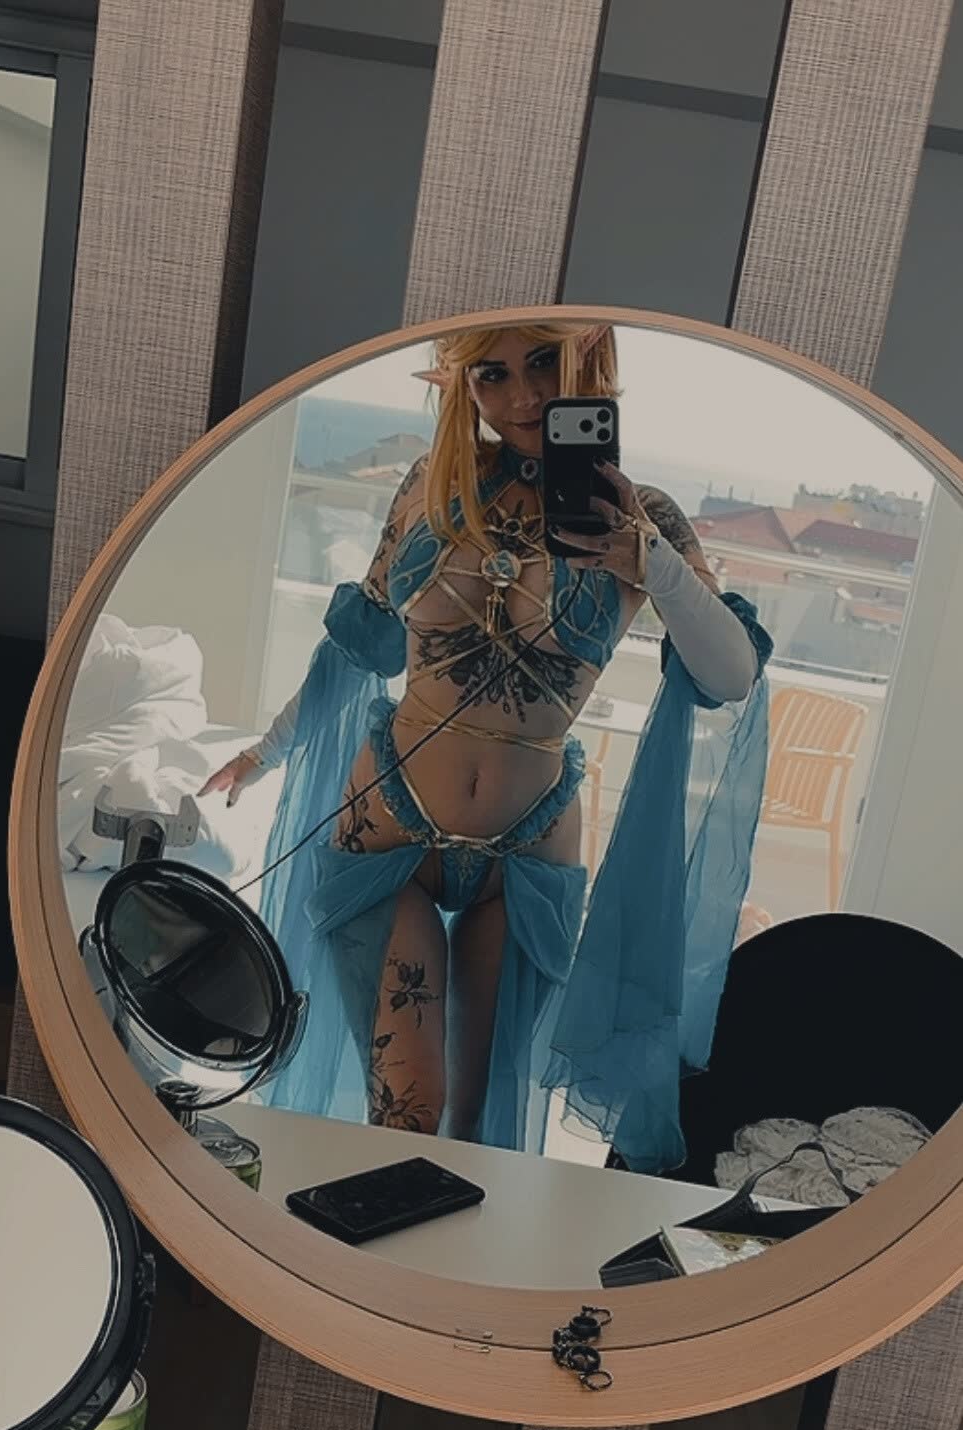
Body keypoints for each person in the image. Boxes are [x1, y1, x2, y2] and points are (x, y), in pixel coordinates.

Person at [200, 322, 772, 1172]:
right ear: (463, 388)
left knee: (472, 1132)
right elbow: (360, 647)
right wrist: (267, 751)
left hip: (527, 857)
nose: (523, 395)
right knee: (407, 1110)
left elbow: (728, 675)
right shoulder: (430, 490)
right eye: (492, 375)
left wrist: (652, 565)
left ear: (589, 361)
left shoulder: (643, 518)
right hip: (388, 833)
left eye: (543, 363)